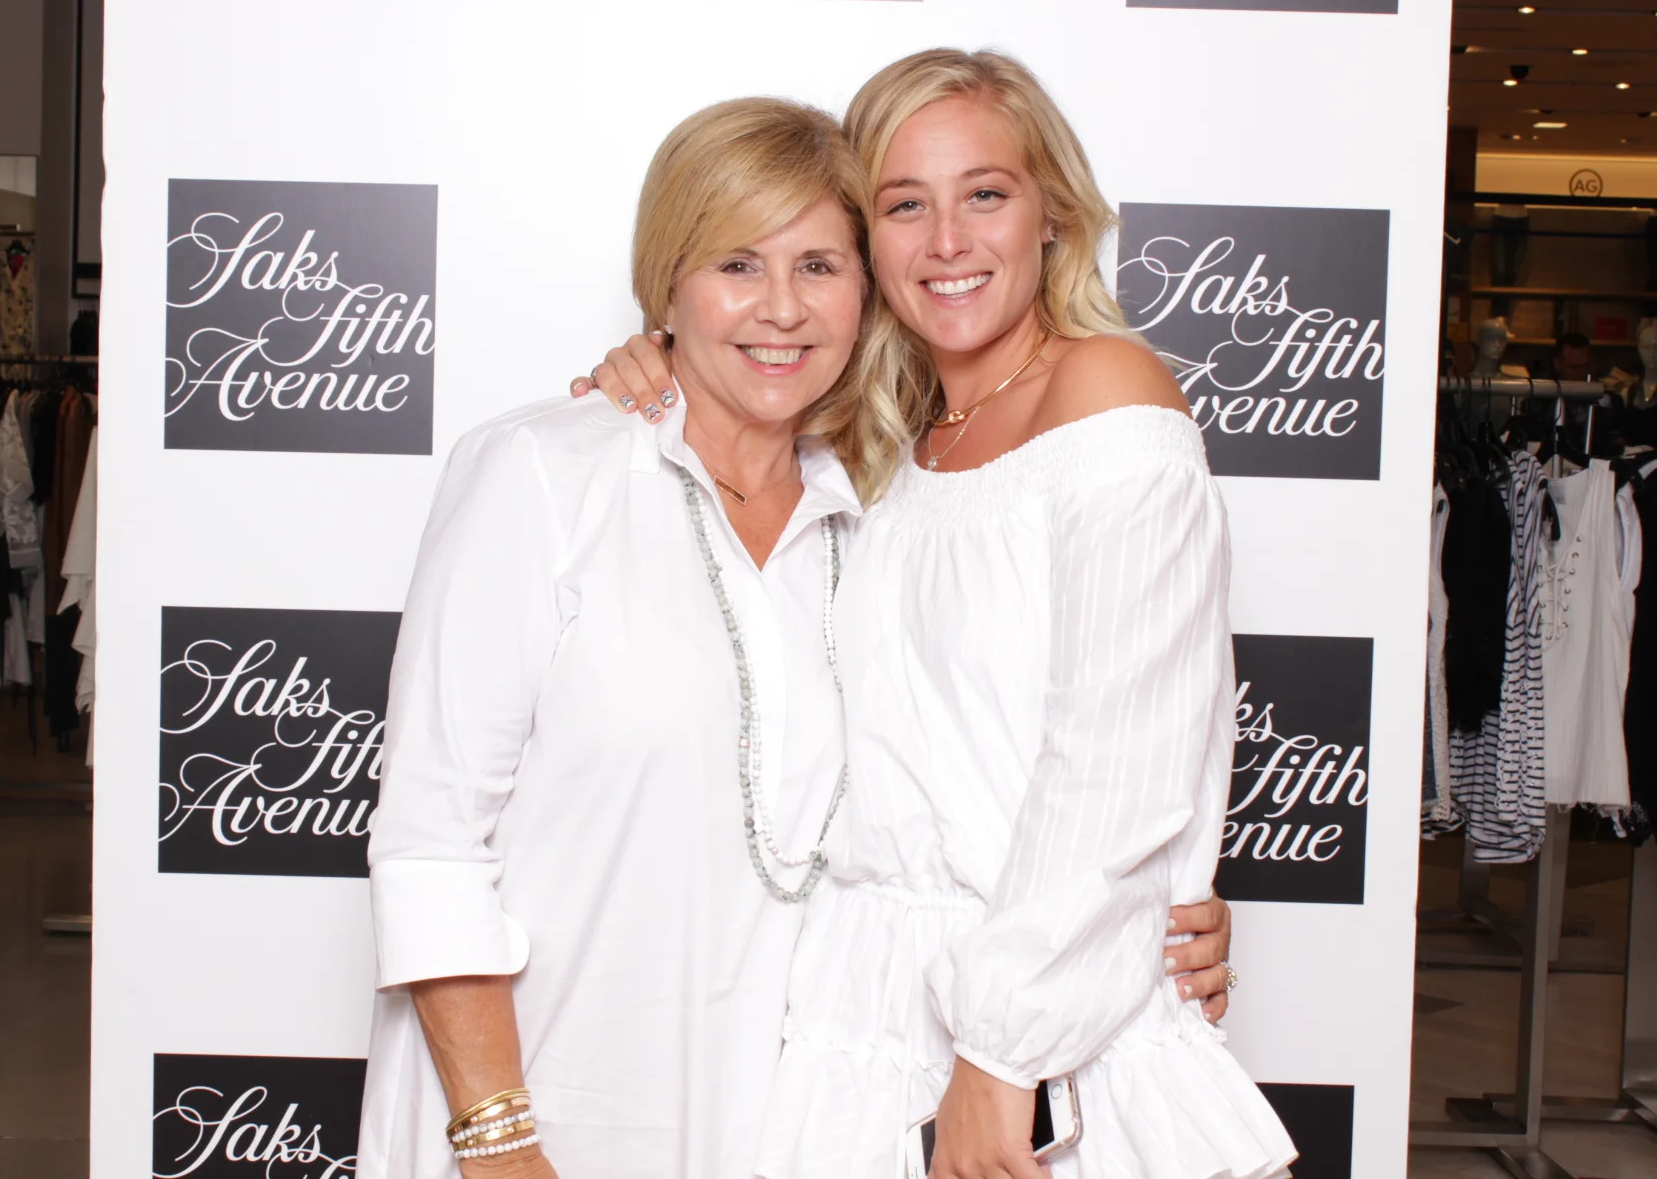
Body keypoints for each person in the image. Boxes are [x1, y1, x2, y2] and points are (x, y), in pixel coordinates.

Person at [364, 94, 1235, 1179]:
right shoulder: (541, 474)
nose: (780, 307)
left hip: (780, 1112)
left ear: (863, 291)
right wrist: (499, 1142)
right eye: (736, 264)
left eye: (818, 266)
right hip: (542, 1100)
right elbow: (431, 842)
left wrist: (1145, 904)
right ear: (666, 283)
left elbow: (1002, 753)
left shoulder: (868, 509)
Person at [580, 49, 1293, 1179]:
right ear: (867, 242)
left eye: (986, 195)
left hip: (1034, 1039)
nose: (948, 240)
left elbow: (1117, 763)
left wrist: (1003, 1056)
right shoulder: (884, 444)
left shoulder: (1108, 392)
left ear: (1052, 214)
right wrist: (666, 355)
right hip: (858, 1010)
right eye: (905, 205)